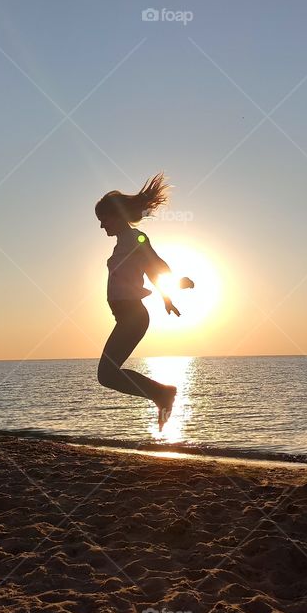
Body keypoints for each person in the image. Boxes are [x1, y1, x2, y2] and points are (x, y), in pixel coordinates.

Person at [95, 173, 193, 428]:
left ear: (116, 215)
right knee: (107, 375)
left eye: (103, 219)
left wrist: (173, 285)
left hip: (134, 317)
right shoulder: (121, 245)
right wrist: (166, 298)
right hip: (126, 317)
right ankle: (161, 394)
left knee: (106, 374)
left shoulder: (135, 239)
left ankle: (162, 393)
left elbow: (155, 265)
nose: (101, 225)